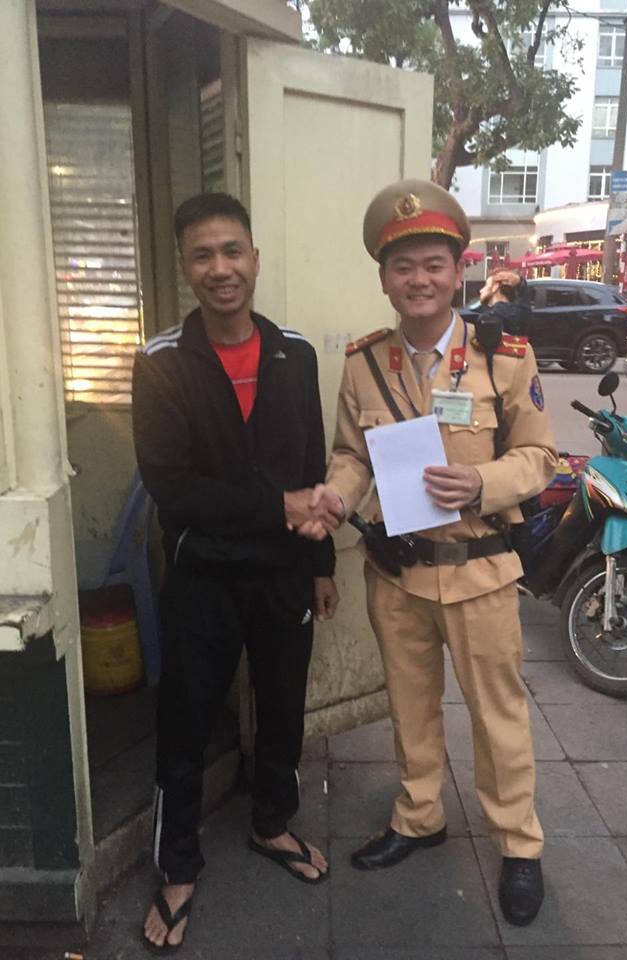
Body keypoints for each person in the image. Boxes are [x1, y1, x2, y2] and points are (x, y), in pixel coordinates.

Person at [299, 179, 558, 926]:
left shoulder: (502, 357)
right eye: (403, 266)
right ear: (384, 278)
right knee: (410, 709)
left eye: (433, 264)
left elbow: (540, 459)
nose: (419, 279)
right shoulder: (365, 362)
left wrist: (480, 482)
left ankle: (518, 843)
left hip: (480, 572)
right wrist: (335, 497)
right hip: (397, 573)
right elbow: (353, 455)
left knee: (497, 715)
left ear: (458, 270)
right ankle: (419, 815)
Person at [132, 192, 341, 952]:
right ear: (185, 267)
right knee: (186, 721)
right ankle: (177, 866)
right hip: (203, 577)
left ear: (255, 258)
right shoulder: (161, 362)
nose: (220, 269)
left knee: (283, 708)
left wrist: (319, 562)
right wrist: (277, 506)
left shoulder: (294, 352)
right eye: (202, 255)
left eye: (232, 252)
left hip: (283, 573)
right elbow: (172, 488)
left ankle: (271, 823)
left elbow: (312, 463)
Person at [479, 269, 532, 336]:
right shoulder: (523, 313)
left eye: (486, 285)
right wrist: (519, 280)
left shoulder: (489, 317)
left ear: (495, 286)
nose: (481, 290)